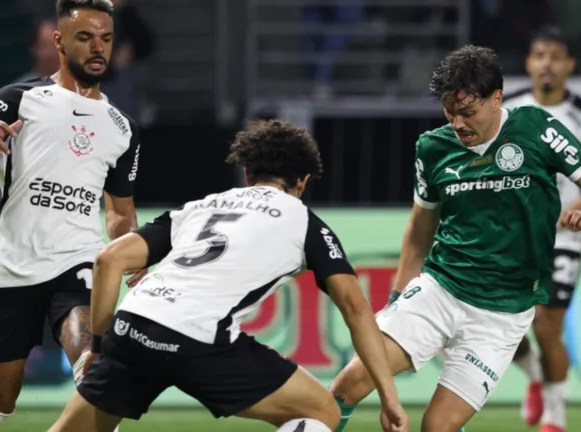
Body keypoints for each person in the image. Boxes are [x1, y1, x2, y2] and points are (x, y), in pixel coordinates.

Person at [327, 45, 581, 432]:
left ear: (496, 98)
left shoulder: (536, 127)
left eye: (467, 111)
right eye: (449, 112)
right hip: (440, 290)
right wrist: (398, 298)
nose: (458, 123)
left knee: (437, 426)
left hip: (502, 314)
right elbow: (420, 229)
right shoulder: (432, 148)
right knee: (345, 387)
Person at [47, 119, 409, 432]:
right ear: (303, 181)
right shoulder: (305, 223)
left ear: (247, 173)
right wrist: (389, 397)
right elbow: (355, 309)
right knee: (321, 411)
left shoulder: (202, 206)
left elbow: (108, 260)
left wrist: (100, 347)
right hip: (199, 338)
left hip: (134, 325)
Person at [0, 1, 142, 431]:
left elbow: (119, 212)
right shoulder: (17, 100)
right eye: (85, 37)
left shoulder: (122, 126)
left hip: (78, 261)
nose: (98, 48)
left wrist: (132, 251)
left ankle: (95, 390)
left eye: (106, 39)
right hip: (12, 266)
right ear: (59, 41)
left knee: (94, 366)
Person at [502, 27, 581, 432]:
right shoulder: (508, 109)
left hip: (563, 236)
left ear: (569, 65)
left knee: (547, 326)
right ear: (529, 63)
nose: (548, 64)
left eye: (556, 57)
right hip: (512, 236)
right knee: (502, 323)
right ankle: (535, 374)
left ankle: (555, 419)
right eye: (540, 55)